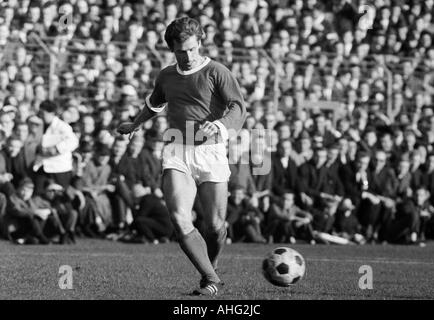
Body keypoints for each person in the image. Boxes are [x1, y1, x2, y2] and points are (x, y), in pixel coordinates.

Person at [117, 17, 246, 296]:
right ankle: (212, 280)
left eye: (191, 49)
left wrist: (221, 125)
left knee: (214, 226)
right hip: (177, 148)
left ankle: (209, 271)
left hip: (210, 151)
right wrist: (135, 124)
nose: (187, 56)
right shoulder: (166, 76)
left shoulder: (217, 71)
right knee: (179, 217)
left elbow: (238, 107)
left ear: (199, 43)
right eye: (180, 51)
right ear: (172, 50)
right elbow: (155, 103)